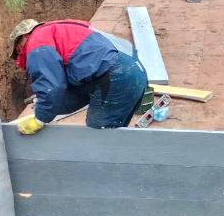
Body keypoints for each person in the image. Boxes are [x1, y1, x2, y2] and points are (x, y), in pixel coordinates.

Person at [9, 18, 148, 134]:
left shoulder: (36, 42)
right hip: (130, 70)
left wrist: (40, 118)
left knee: (99, 138)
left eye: (18, 50)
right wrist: (44, 105)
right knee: (113, 135)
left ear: (23, 38)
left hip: (115, 76)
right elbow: (70, 93)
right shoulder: (59, 32)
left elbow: (52, 87)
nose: (20, 53)